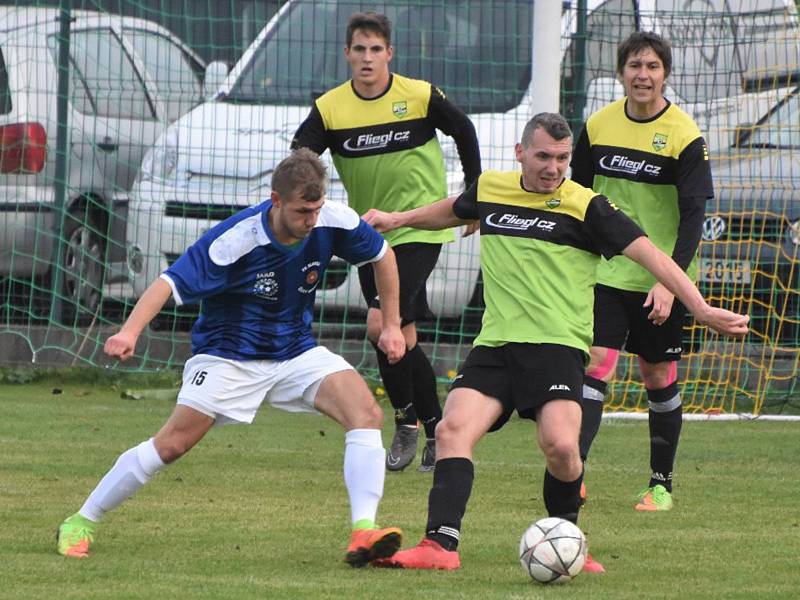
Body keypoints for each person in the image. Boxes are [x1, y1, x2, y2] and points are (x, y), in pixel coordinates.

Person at [361, 113, 748, 572]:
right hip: (497, 345)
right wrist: (397, 218)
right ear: (520, 152)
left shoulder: (587, 207)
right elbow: (453, 209)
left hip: (558, 349)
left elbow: (653, 256)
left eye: (563, 158)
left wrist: (699, 308)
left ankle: (567, 538)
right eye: (544, 156)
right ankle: (440, 546)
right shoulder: (492, 189)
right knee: (451, 431)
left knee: (563, 447)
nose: (554, 167)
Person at [56, 149, 407, 566]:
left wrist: (391, 324)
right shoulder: (236, 239)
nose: (311, 220)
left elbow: (383, 254)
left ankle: (363, 532)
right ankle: (81, 521)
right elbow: (168, 282)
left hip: (294, 351)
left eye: (315, 209)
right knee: (171, 445)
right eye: (301, 211)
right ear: (276, 200)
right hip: (228, 356)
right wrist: (129, 331)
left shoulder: (332, 219)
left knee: (365, 412)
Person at [291, 11, 482, 473]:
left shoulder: (417, 96)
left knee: (382, 326)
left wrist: (473, 196)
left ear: (389, 54)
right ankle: (435, 427)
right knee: (404, 336)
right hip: (367, 234)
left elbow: (464, 130)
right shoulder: (332, 107)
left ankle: (406, 422)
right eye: (360, 49)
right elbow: (301, 157)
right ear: (347, 55)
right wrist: (300, 204)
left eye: (376, 49)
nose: (368, 58)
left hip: (418, 227)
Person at [570, 32, 712, 511]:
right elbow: (579, 199)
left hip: (662, 280)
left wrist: (670, 281)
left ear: (665, 74)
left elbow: (693, 218)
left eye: (652, 66)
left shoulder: (685, 136)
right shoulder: (598, 126)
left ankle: (661, 486)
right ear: (621, 72)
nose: (643, 75)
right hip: (607, 274)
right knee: (595, 361)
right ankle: (575, 477)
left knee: (656, 374)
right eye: (634, 66)